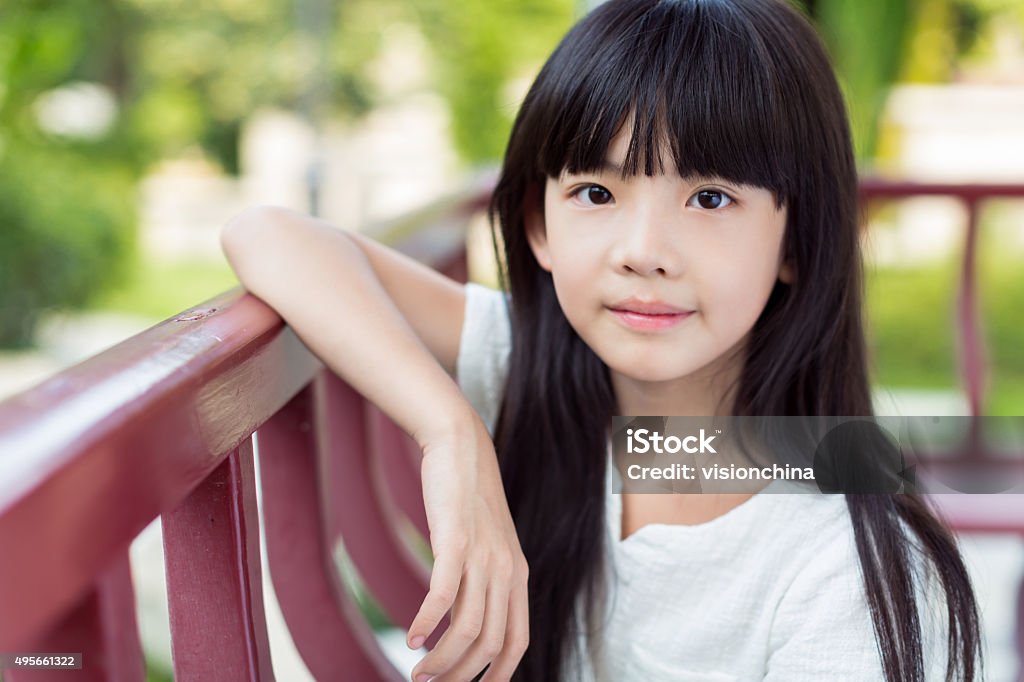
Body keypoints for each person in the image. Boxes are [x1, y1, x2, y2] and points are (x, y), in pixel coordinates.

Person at [221, 0, 984, 680]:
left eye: (709, 197)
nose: (643, 250)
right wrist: (449, 432)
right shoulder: (541, 373)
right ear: (537, 227)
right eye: (596, 193)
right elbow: (269, 233)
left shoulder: (845, 571)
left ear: (796, 241)